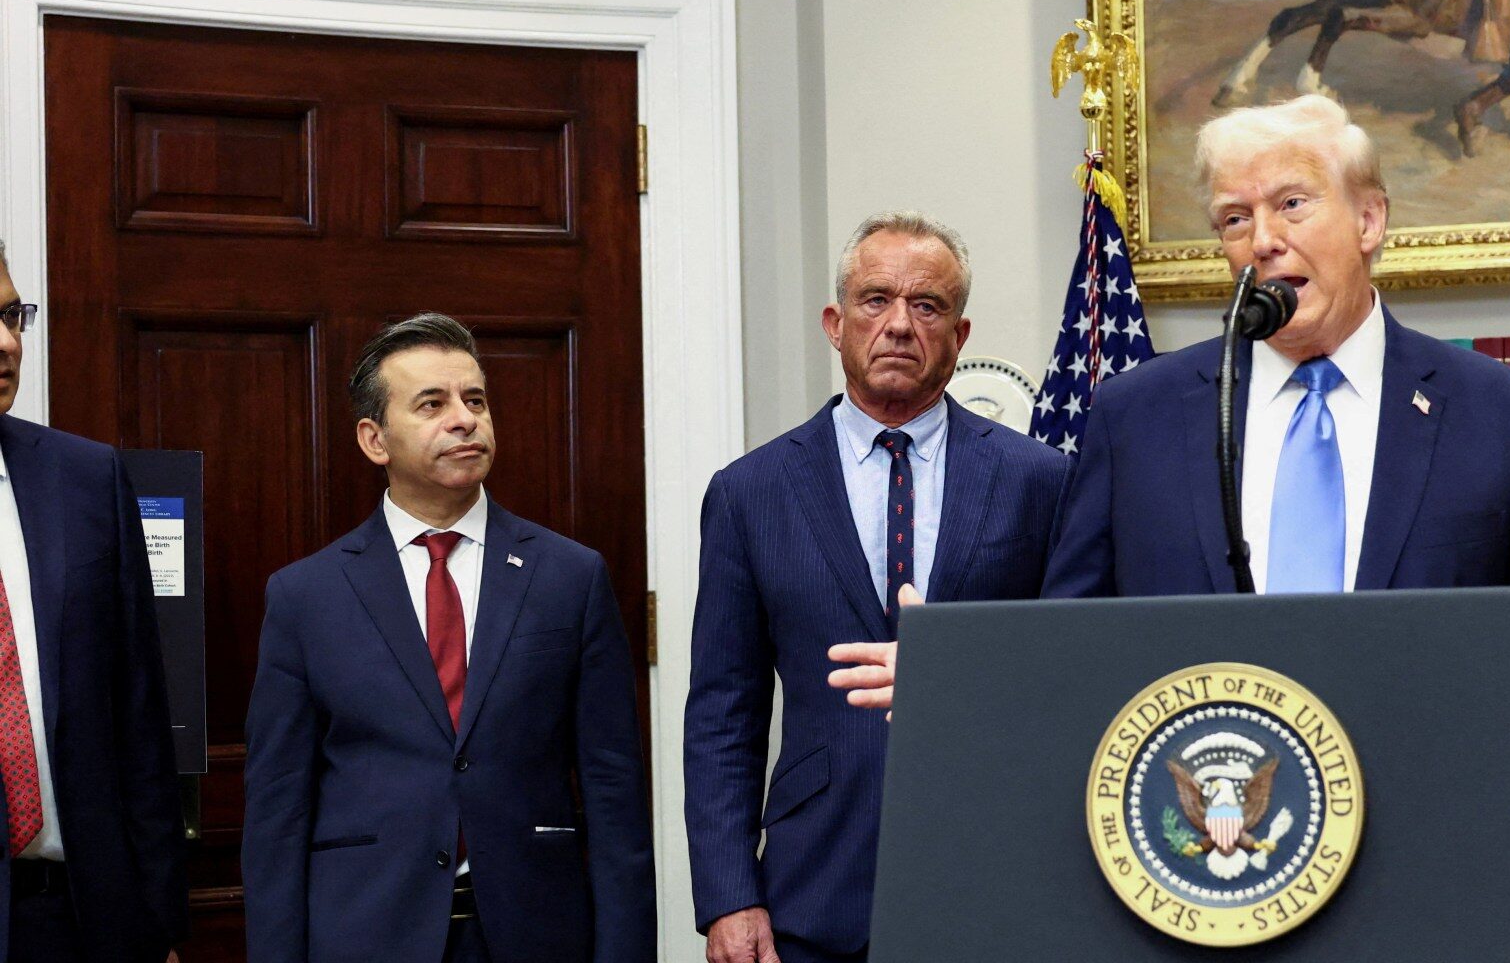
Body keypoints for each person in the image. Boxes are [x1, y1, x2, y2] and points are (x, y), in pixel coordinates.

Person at [829, 96, 1510, 721]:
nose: (1261, 239)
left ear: (1371, 218)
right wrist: (969, 684)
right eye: (1234, 218)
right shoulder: (1139, 416)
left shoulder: (1496, 413)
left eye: (1292, 204)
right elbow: (1073, 643)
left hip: (1424, 854)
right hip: (1200, 852)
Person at [684, 212, 1069, 963]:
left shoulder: (1040, 480)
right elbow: (722, 713)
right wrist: (729, 895)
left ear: (958, 336)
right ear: (835, 324)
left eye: (927, 306)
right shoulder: (750, 492)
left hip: (998, 873)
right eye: (875, 300)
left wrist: (958, 673)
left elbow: (1070, 671)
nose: (898, 324)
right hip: (814, 884)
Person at [242, 313, 655, 963]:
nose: (464, 420)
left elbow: (614, 791)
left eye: (476, 400)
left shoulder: (569, 577)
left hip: (535, 932)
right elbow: (277, 807)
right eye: (432, 404)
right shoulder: (306, 596)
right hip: (367, 935)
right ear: (374, 440)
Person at [0, 249, 187, 962]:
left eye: (11, 316)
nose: (7, 342)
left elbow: (139, 711)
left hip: (81, 919)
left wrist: (159, 925)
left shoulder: (84, 477)